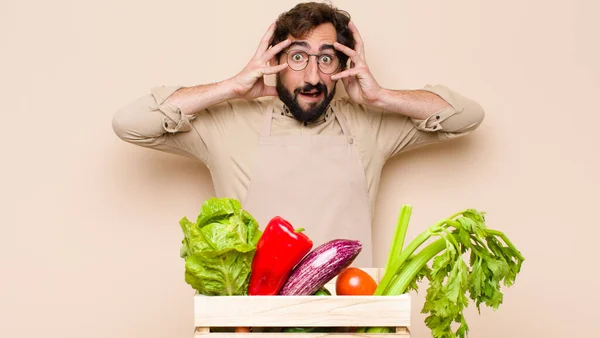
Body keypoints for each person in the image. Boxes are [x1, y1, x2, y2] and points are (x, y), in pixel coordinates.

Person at [112, 2, 485, 267]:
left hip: (349, 321)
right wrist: (231, 87)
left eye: (326, 58)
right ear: (274, 63)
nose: (311, 76)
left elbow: (466, 117)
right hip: (256, 325)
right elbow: (130, 123)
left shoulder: (369, 123)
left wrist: (381, 96)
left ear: (343, 65)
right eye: (297, 57)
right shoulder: (227, 123)